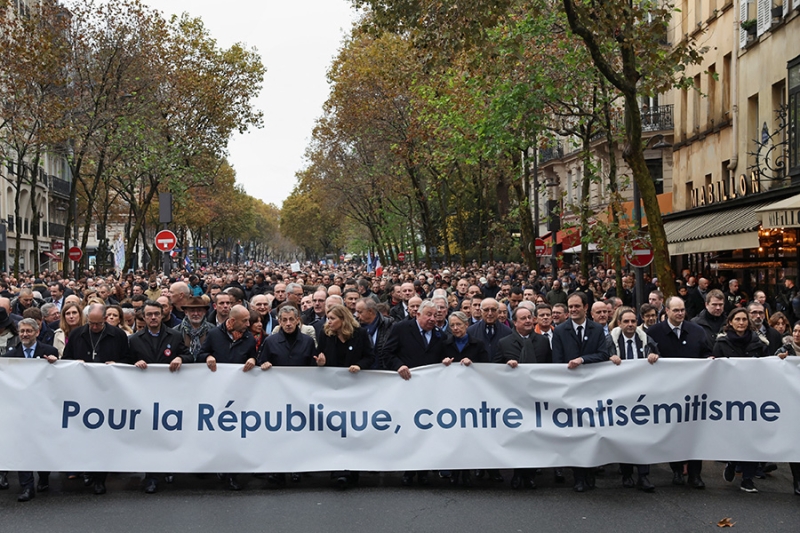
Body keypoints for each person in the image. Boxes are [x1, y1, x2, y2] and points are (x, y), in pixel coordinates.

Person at [61, 303, 131, 495]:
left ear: (105, 320)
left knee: (103, 436)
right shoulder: (77, 334)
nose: (94, 327)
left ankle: (100, 478)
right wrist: (75, 364)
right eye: (91, 323)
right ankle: (87, 470)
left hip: (107, 392)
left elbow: (127, 359)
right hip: (82, 392)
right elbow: (66, 358)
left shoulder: (118, 335)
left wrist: (116, 364)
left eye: (98, 324)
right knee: (84, 433)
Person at [646, 296, 711, 489]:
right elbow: (646, 353)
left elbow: (706, 352)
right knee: (673, 431)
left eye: (682, 310)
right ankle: (676, 470)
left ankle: (695, 474)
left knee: (694, 432)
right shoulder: (654, 332)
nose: (680, 313)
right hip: (667, 391)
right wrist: (651, 356)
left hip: (694, 390)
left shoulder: (696, 331)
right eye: (676, 310)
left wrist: (709, 359)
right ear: (666, 311)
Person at [129, 301, 191, 494]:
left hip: (170, 393)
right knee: (150, 436)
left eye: (156, 313)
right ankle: (151, 476)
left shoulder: (175, 335)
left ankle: (169, 468)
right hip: (144, 395)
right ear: (144, 317)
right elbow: (125, 361)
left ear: (162, 314)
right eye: (149, 314)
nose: (153, 317)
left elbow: (189, 356)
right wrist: (134, 362)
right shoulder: (134, 339)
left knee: (169, 433)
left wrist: (180, 358)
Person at [381, 300, 445, 486]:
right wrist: (399, 366)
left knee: (427, 430)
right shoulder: (401, 328)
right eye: (428, 315)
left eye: (435, 316)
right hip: (406, 388)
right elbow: (387, 353)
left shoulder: (440, 335)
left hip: (429, 392)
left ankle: (424, 470)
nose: (432, 319)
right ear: (418, 314)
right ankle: (409, 470)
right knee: (409, 430)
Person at [552, 291, 610, 492]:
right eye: (571, 307)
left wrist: (583, 360)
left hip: (593, 387)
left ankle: (590, 474)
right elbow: (557, 361)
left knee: (592, 431)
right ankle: (578, 477)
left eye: (577, 306)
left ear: (586, 307)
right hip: (571, 389)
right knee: (576, 433)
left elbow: (603, 354)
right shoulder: (560, 331)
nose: (573, 310)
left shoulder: (597, 329)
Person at [258, 305, 322, 487]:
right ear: (279, 321)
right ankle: (277, 470)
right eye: (284, 320)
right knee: (278, 434)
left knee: (298, 433)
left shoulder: (307, 342)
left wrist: (319, 364)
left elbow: (312, 367)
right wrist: (264, 364)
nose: (288, 323)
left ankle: (296, 468)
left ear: (297, 321)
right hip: (277, 395)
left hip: (300, 395)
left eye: (291, 320)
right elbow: (261, 361)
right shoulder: (271, 341)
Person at [199, 304, 258, 491]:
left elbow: (255, 358)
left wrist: (254, 360)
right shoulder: (214, 335)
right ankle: (219, 467)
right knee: (218, 432)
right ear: (232, 321)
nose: (248, 324)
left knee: (235, 433)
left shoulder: (249, 338)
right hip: (216, 392)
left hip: (238, 393)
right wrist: (207, 357)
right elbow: (200, 354)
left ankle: (232, 473)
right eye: (245, 321)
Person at [712, 308, 769, 493]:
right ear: (730, 321)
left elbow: (767, 366)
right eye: (737, 319)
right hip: (730, 398)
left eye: (744, 319)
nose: (741, 322)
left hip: (753, 397)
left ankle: (748, 478)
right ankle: (732, 461)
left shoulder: (758, 343)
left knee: (751, 437)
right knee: (735, 435)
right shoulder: (721, 343)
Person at [495, 305, 552, 490]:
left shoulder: (543, 342)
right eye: (523, 318)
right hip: (514, 398)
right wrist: (506, 365)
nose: (528, 321)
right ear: (515, 322)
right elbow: (493, 368)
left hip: (537, 396)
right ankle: (517, 473)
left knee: (534, 437)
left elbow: (551, 366)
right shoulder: (504, 343)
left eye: (530, 317)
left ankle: (530, 474)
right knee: (517, 437)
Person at [317, 304, 373, 488]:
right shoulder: (325, 335)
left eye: (332, 318)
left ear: (343, 319)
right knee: (335, 429)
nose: (329, 322)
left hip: (355, 388)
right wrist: (320, 361)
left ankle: (352, 469)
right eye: (328, 318)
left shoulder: (360, 334)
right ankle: (338, 470)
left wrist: (359, 365)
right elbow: (319, 355)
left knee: (351, 429)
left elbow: (370, 356)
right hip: (332, 389)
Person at [2, 318, 58, 501]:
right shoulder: (10, 356)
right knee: (22, 448)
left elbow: (59, 378)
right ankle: (26, 486)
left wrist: (56, 364)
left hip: (44, 409)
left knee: (42, 446)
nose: (25, 334)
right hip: (20, 412)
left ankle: (44, 477)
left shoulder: (49, 352)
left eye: (28, 331)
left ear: (36, 332)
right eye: (22, 331)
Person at [606, 307, 659, 492]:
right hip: (620, 396)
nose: (630, 325)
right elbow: (601, 358)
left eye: (633, 321)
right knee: (624, 436)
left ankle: (643, 476)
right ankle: (626, 473)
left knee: (643, 436)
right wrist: (609, 358)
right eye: (626, 321)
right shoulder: (610, 341)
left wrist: (654, 355)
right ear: (619, 323)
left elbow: (658, 356)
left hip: (642, 396)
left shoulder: (646, 340)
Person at [775, 321, 800, 496]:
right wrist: (779, 360)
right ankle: (797, 480)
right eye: (796, 331)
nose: (797, 334)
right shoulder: (785, 350)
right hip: (791, 402)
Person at [354, 297, 393, 369]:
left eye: (360, 312)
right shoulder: (354, 327)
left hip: (383, 370)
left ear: (370, 311)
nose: (357, 315)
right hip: (360, 371)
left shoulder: (389, 325)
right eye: (356, 312)